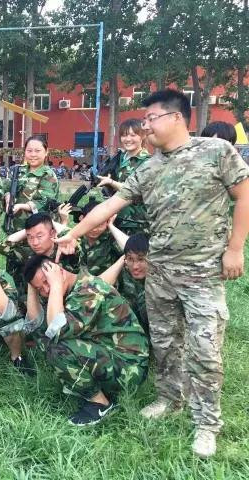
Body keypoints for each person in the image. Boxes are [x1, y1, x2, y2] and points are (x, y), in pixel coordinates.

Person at [56, 89, 249, 457]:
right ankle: (169, 398)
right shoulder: (148, 168)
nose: (145, 126)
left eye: (150, 118)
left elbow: (244, 196)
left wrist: (236, 248)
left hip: (202, 273)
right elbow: (110, 205)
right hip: (160, 273)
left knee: (205, 349)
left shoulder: (216, 151)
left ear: (176, 117)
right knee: (164, 342)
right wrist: (72, 233)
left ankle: (207, 423)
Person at [23, 255, 149, 426]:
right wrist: (33, 288)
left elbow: (56, 330)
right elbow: (36, 326)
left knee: (57, 348)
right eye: (40, 289)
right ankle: (93, 388)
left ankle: (100, 404)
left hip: (129, 368)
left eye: (47, 281)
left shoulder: (88, 289)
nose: (46, 290)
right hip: (112, 354)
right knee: (43, 338)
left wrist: (56, 285)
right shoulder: (70, 289)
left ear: (59, 271)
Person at [0, 212, 82, 300]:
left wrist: (51, 222)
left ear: (52, 233)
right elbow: (2, 246)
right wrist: (29, 230)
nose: (35, 243)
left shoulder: (64, 251)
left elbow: (73, 239)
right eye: (30, 237)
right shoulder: (29, 255)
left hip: (74, 301)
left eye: (39, 236)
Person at [96, 118, 151, 234]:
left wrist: (111, 182)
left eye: (133, 135)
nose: (128, 139)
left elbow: (138, 192)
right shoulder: (118, 158)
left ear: (142, 136)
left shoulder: (147, 162)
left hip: (136, 222)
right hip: (114, 217)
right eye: (124, 135)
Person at [4, 136, 59, 233]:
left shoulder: (48, 175)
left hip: (38, 229)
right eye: (29, 151)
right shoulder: (18, 170)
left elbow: (44, 202)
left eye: (37, 151)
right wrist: (8, 198)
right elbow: (6, 188)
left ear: (46, 152)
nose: (33, 154)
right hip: (14, 226)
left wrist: (20, 206)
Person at [101, 231, 150, 335]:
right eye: (130, 259)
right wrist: (122, 260)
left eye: (141, 259)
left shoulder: (161, 281)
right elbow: (96, 288)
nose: (135, 266)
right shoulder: (124, 275)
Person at [77, 199, 121, 276]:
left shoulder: (111, 238)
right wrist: (63, 222)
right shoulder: (76, 237)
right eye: (91, 224)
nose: (95, 229)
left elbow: (129, 251)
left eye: (100, 225)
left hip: (105, 282)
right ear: (82, 219)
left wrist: (111, 226)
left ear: (107, 221)